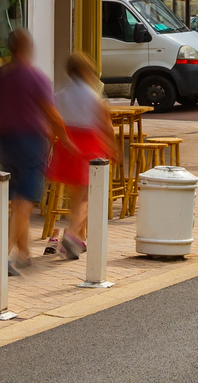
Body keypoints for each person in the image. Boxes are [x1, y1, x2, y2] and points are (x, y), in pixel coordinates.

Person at [0, 29, 68, 276]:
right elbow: (52, 115)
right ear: (28, 48)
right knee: (24, 203)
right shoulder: (36, 77)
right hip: (31, 142)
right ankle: (1, 256)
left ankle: (24, 253)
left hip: (5, 143)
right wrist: (66, 140)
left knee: (18, 198)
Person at [46, 54, 112, 261]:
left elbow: (52, 125)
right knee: (86, 197)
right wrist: (113, 149)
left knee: (76, 196)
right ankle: (73, 235)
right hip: (89, 144)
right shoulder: (93, 97)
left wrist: (48, 149)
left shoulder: (60, 95)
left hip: (66, 144)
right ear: (85, 71)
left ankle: (80, 241)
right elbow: (106, 126)